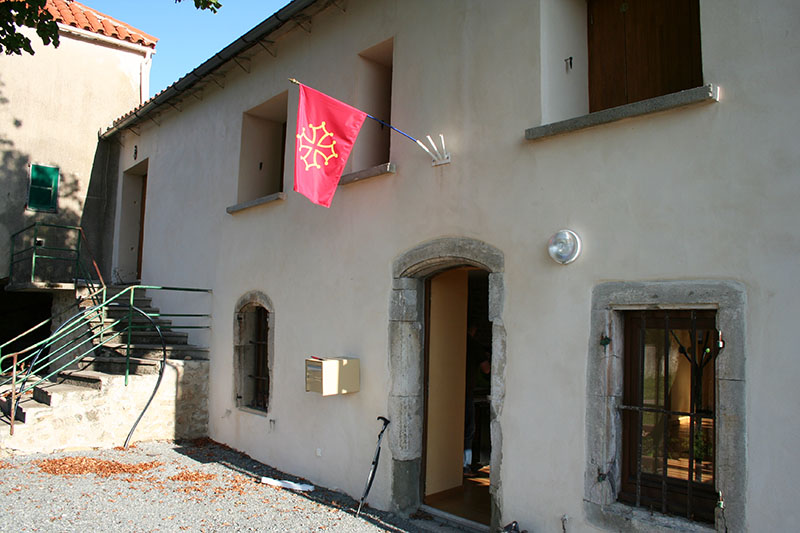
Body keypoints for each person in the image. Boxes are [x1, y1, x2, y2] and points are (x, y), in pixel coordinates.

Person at [464, 322, 490, 476]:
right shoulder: (473, 344)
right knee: (468, 429)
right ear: (473, 328)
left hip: (449, 392)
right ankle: (465, 467)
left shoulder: (455, 341)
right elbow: (486, 369)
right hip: (466, 392)